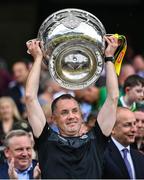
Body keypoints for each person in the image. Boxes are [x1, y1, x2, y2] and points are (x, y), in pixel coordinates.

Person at [25, 35, 119, 178]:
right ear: (54, 119)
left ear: (82, 115)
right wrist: (38, 58)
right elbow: (30, 98)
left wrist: (109, 57)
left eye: (75, 111)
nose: (71, 116)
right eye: (64, 112)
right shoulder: (46, 140)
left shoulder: (96, 140)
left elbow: (113, 98)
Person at [102, 107, 144, 179]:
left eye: (134, 124)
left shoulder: (139, 157)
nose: (134, 129)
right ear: (112, 128)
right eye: (127, 125)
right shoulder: (100, 155)